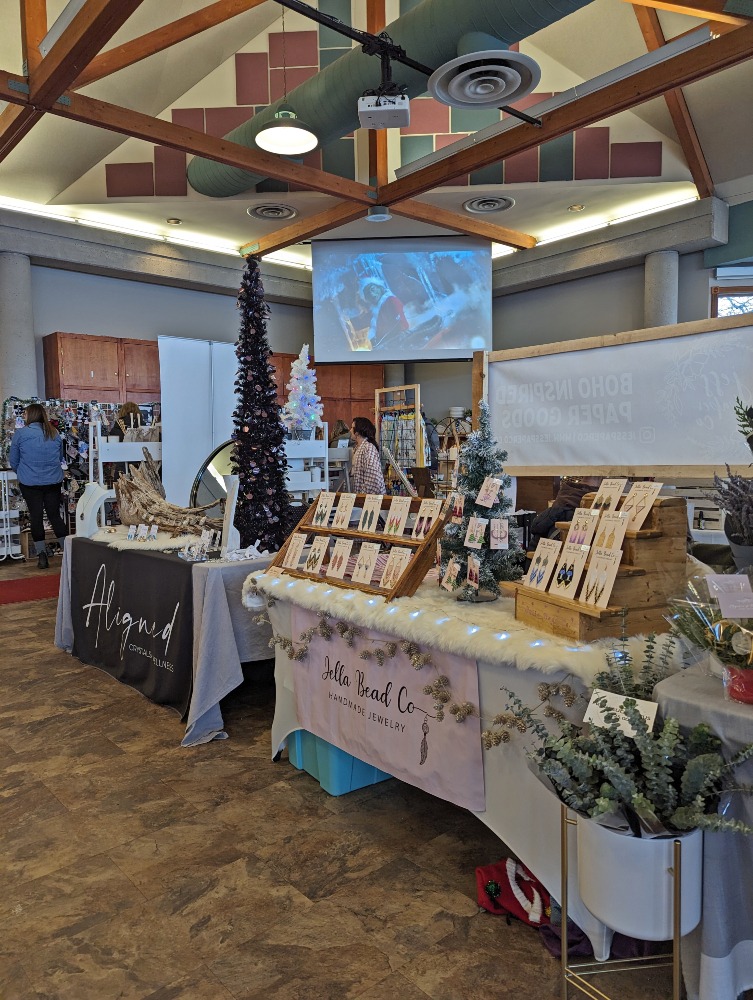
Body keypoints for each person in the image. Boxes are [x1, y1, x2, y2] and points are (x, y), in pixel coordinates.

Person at [9, 403, 69, 569]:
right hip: (53, 481)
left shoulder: (21, 434)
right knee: (55, 516)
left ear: (31, 415)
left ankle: (42, 556)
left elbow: (13, 460)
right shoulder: (54, 433)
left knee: (36, 517)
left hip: (30, 482)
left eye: (26, 414)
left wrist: (23, 471)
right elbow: (59, 458)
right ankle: (68, 555)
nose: (24, 417)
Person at [350, 416, 386, 494]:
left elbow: (373, 476)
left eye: (352, 428)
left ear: (358, 432)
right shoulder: (358, 447)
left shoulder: (368, 448)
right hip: (361, 497)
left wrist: (363, 496)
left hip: (370, 500)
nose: (350, 430)